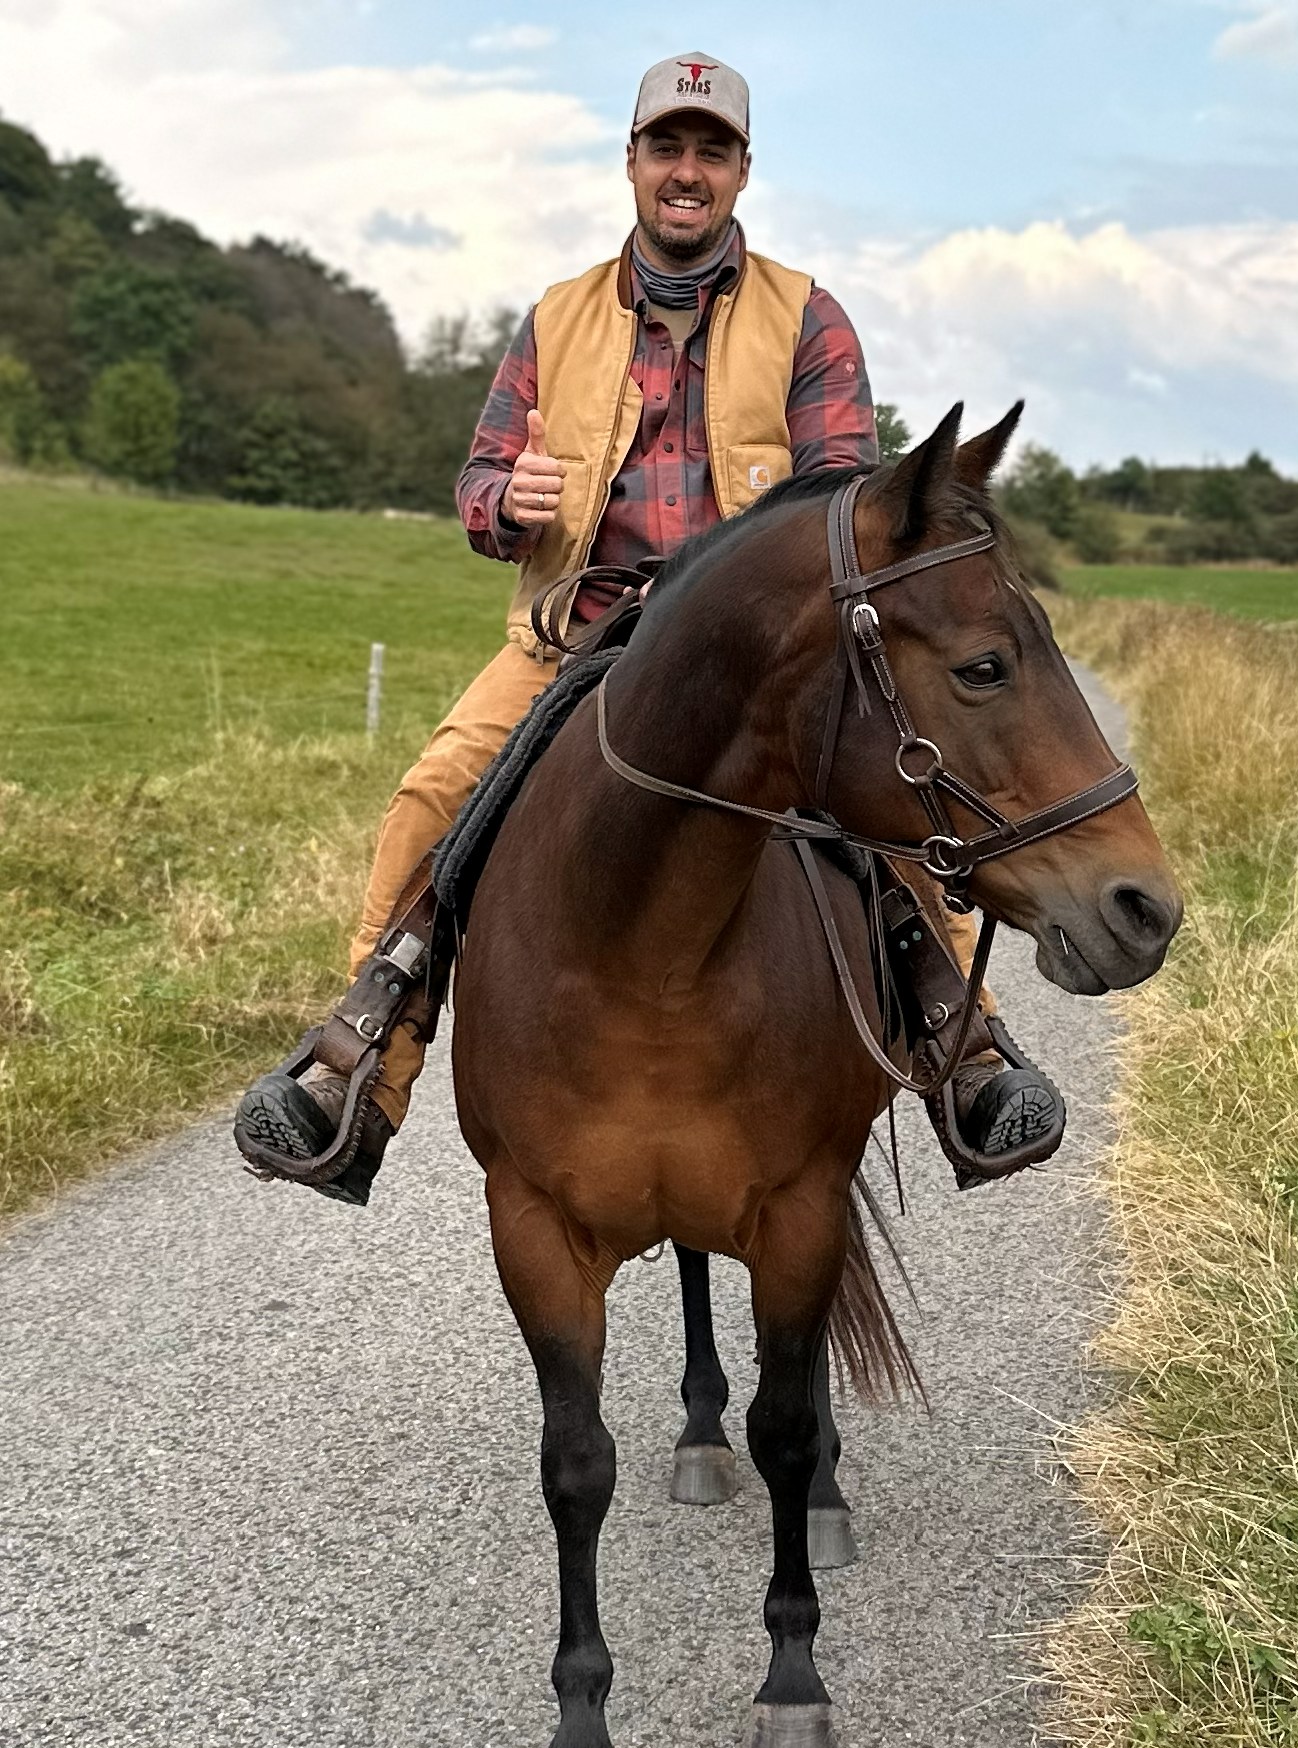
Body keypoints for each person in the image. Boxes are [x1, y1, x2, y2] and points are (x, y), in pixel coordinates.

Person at [234, 51, 1064, 1206]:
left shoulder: (806, 316)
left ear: (740, 173)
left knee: (875, 794)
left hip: (752, 652)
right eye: (666, 147)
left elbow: (843, 502)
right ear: (632, 163)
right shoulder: (555, 319)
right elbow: (478, 483)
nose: (687, 170)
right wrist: (502, 499)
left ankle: (963, 1049)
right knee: (437, 790)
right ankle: (363, 1064)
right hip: (572, 633)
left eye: (710, 151)